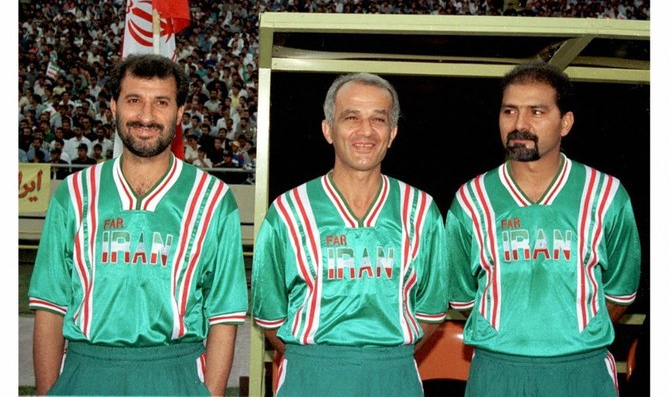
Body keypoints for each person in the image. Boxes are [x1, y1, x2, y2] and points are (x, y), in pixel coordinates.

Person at [28, 53, 248, 396]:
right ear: (113, 106)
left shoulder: (213, 199)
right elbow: (50, 307)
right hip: (87, 370)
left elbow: (223, 317)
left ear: (179, 113)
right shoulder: (73, 194)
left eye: (161, 102)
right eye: (134, 100)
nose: (146, 116)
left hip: (174, 373)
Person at [445, 61, 641, 397]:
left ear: (565, 122)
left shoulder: (606, 194)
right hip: (497, 371)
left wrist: (570, 331)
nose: (520, 124)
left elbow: (620, 292)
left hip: (581, 371)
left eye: (537, 112)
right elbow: (462, 296)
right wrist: (507, 330)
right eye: (509, 111)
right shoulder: (471, 199)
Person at [251, 72, 448, 397]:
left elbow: (430, 311)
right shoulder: (288, 211)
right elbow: (270, 316)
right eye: (351, 117)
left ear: (392, 132)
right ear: (328, 129)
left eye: (378, 119)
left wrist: (383, 358)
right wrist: (321, 360)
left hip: (393, 376)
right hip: (311, 375)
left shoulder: (421, 210)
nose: (365, 131)